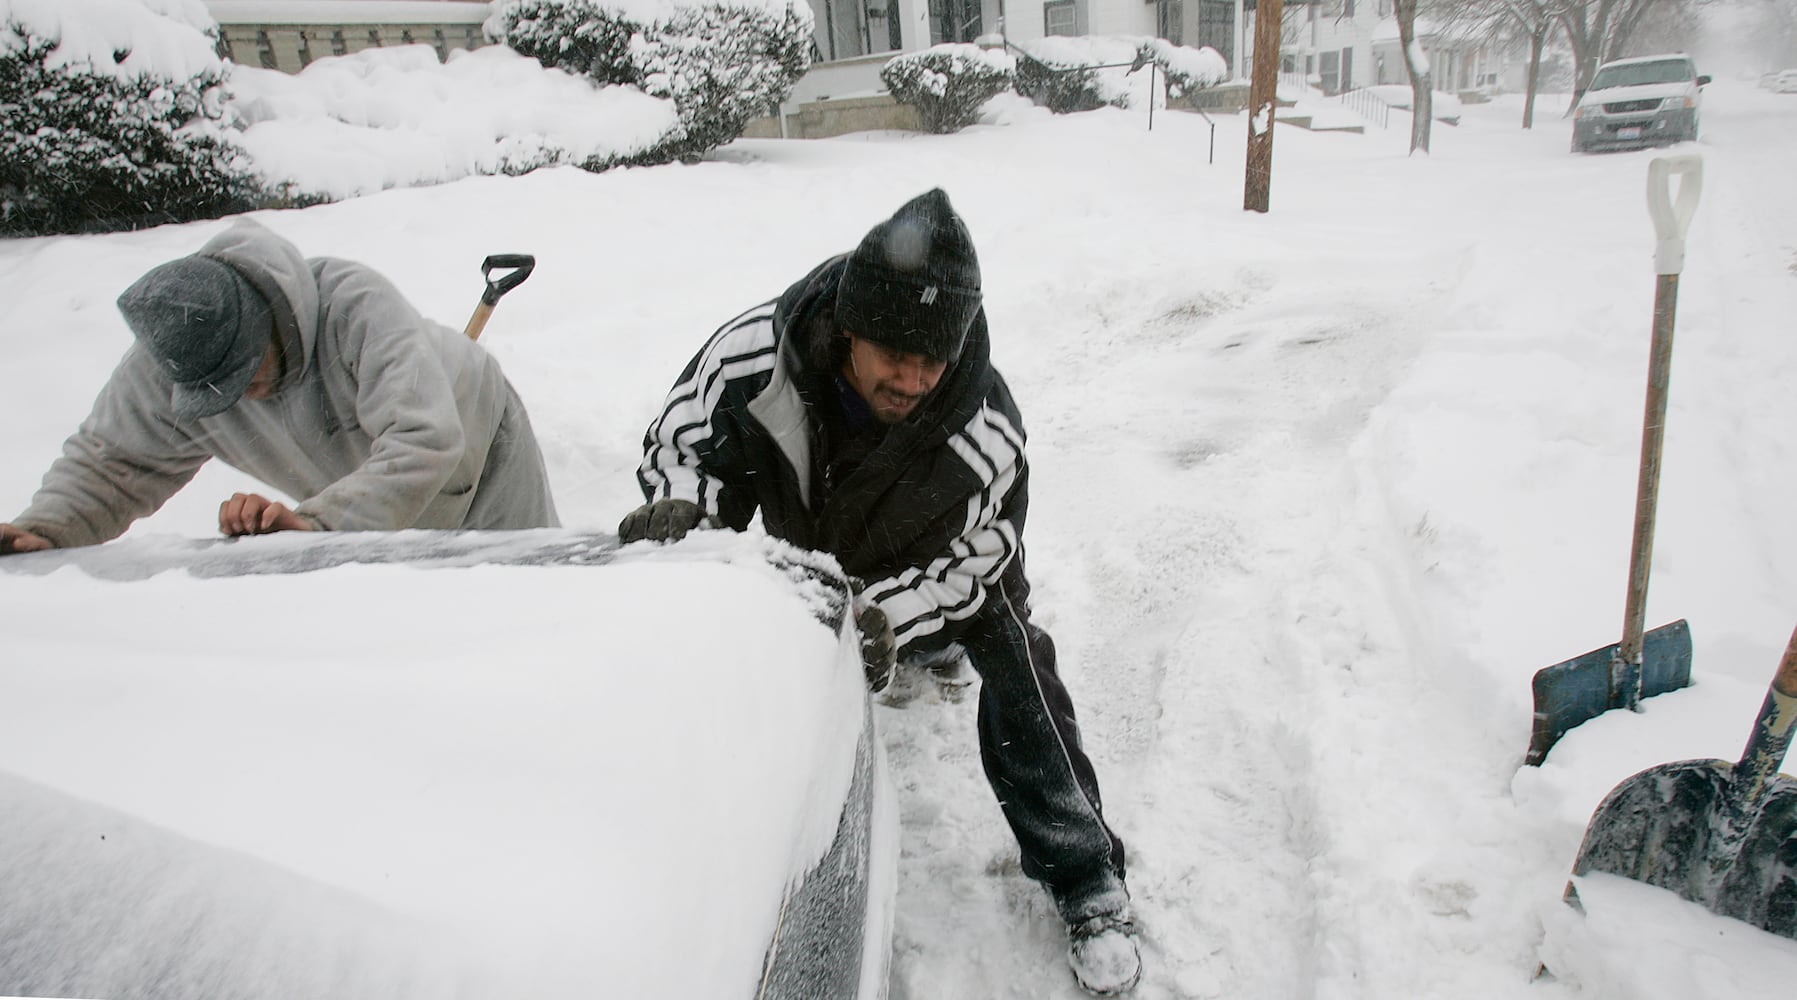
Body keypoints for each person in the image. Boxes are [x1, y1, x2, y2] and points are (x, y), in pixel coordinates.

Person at [618, 189, 1139, 995]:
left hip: (925, 571)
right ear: (850, 328)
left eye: (932, 360)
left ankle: (1085, 870)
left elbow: (982, 556)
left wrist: (890, 616)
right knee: (695, 602)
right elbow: (684, 443)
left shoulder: (983, 429)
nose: (913, 378)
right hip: (810, 537)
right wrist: (688, 514)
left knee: (1010, 642)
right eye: (895, 355)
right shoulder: (758, 355)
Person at [0, 218, 557, 555]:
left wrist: (317, 525)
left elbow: (425, 440)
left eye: (243, 374)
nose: (236, 397)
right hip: (357, 490)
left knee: (523, 584)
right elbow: (111, 464)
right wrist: (48, 529)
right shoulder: (176, 355)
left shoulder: (354, 306)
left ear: (268, 319)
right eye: (215, 391)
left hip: (479, 445)